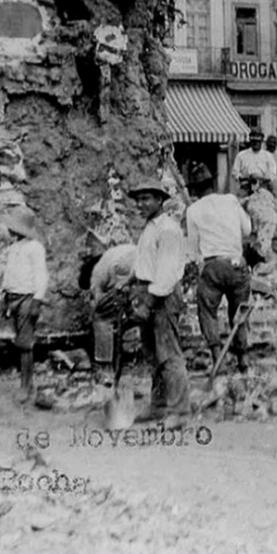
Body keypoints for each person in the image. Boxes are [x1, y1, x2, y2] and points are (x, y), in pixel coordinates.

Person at [128, 177, 190, 428]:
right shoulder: (150, 228)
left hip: (162, 297)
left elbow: (165, 274)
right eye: (138, 200)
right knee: (153, 355)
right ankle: (158, 406)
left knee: (169, 355)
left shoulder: (168, 229)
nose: (141, 204)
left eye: (146, 199)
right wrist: (129, 281)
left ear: (160, 200)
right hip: (147, 291)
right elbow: (146, 262)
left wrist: (147, 303)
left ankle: (180, 412)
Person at [185, 164, 253, 373]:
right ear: (213, 184)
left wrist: (201, 267)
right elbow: (247, 229)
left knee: (207, 311)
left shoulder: (193, 210)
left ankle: (217, 356)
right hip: (235, 262)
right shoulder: (231, 200)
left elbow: (194, 249)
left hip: (213, 264)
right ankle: (243, 358)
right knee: (239, 312)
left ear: (194, 190)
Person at [0, 205, 50, 403]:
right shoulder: (13, 248)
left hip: (28, 298)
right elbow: (8, 276)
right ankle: (27, 383)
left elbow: (41, 275)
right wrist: (4, 298)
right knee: (20, 340)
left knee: (25, 343)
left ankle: (26, 385)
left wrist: (37, 300)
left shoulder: (35, 248)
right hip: (13, 298)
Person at [79, 242, 137, 382]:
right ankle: (126, 359)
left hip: (129, 273)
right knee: (128, 317)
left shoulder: (96, 275)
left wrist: (91, 314)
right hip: (141, 264)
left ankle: (106, 369)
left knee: (102, 319)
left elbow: (96, 301)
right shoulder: (109, 255)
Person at [231, 128, 277, 194]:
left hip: (263, 189)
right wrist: (244, 177)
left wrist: (261, 177)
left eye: (258, 141)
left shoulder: (268, 156)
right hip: (245, 188)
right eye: (254, 141)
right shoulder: (241, 155)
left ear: (261, 141)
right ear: (250, 140)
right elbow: (235, 173)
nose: (256, 143)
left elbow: (273, 175)